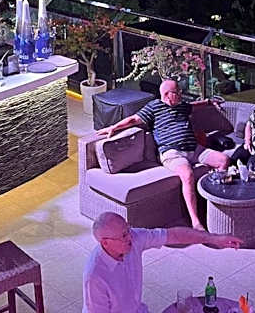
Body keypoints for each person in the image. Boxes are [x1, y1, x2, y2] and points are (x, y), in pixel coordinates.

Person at [81, 211, 242, 313]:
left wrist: (213, 239)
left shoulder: (133, 239)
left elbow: (174, 235)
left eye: (128, 229)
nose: (130, 237)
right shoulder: (95, 276)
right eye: (123, 235)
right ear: (105, 243)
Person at [98, 79, 229, 230]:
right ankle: (196, 221)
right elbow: (134, 119)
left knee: (223, 160)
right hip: (172, 153)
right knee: (187, 175)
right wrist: (113, 127)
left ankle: (218, 203)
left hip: (194, 149)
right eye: (177, 92)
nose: (180, 94)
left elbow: (194, 105)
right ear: (167, 95)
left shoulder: (182, 106)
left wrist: (208, 102)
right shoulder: (154, 107)